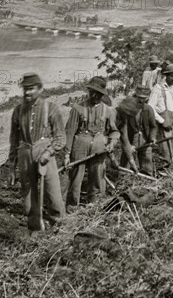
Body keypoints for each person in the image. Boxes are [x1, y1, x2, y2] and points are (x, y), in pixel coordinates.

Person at [8, 73, 66, 230]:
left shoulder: (51, 108)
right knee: (28, 198)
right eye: (25, 89)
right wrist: (12, 167)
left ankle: (60, 228)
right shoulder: (18, 111)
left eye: (31, 89)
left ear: (40, 89)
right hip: (25, 154)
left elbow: (60, 138)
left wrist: (48, 153)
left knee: (53, 195)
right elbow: (14, 140)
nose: (27, 93)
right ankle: (34, 229)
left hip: (45, 155)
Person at [64, 76, 119, 210]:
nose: (94, 96)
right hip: (79, 148)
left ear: (102, 94)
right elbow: (70, 132)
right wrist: (66, 154)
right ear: (88, 91)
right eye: (92, 92)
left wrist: (112, 143)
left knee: (98, 178)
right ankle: (72, 209)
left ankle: (95, 207)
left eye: (98, 94)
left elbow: (114, 131)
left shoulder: (109, 111)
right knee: (76, 180)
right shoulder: (77, 109)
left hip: (99, 148)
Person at [148, 63, 173, 167]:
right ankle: (163, 171)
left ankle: (170, 168)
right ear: (166, 75)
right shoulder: (158, 88)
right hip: (162, 123)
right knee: (164, 150)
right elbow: (150, 107)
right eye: (172, 76)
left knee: (172, 147)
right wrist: (162, 121)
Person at [128, 87, 159, 175]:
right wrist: (128, 145)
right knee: (127, 166)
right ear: (135, 97)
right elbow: (123, 129)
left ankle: (147, 183)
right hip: (131, 139)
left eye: (143, 99)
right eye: (139, 98)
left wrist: (152, 138)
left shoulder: (149, 109)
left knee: (147, 166)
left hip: (145, 139)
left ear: (146, 99)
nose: (141, 101)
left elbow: (153, 126)